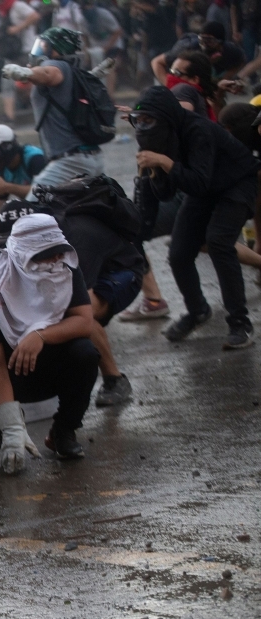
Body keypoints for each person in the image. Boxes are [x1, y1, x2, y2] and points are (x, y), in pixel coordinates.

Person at [0, 206, 100, 469]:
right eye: (43, 256)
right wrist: (12, 428)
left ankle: (63, 430)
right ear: (20, 254)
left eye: (56, 252)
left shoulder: (63, 267)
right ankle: (0, 432)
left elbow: (84, 322)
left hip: (47, 365)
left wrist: (40, 335)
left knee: (86, 353)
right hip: (3, 371)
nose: (53, 261)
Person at [132, 86, 258, 348]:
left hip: (237, 182)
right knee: (179, 253)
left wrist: (165, 163)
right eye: (139, 121)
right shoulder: (160, 134)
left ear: (165, 116)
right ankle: (197, 310)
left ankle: (240, 323)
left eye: (148, 120)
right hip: (206, 188)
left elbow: (198, 182)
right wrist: (153, 174)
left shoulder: (197, 130)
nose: (142, 127)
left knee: (219, 243)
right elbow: (163, 194)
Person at [35, 177, 148, 406]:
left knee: (77, 314)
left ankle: (114, 379)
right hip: (95, 266)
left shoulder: (76, 238)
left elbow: (79, 303)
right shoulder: (39, 228)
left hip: (122, 272)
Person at [1, 27, 106, 197]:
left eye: (42, 46)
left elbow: (49, 74)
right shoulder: (73, 71)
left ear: (56, 50)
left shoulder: (57, 65)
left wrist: (25, 72)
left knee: (33, 210)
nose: (37, 51)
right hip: (89, 157)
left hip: (70, 161)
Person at [0, 123, 48, 231]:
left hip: (48, 208)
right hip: (28, 207)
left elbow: (44, 192)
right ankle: (3, 242)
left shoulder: (35, 158)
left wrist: (6, 187)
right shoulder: (0, 166)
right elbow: (1, 199)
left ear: (9, 148)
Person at [152, 21, 246, 84]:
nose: (204, 44)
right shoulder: (188, 48)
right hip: (181, 80)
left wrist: (224, 78)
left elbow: (241, 61)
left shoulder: (230, 51)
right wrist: (169, 86)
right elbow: (156, 62)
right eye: (202, 39)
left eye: (209, 40)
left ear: (220, 42)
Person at [166, 49, 219, 118]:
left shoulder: (183, 89)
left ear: (194, 80)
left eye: (176, 73)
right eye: (171, 71)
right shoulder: (202, 99)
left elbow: (180, 121)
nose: (171, 76)